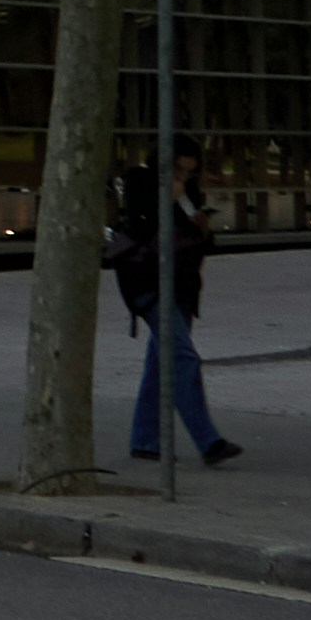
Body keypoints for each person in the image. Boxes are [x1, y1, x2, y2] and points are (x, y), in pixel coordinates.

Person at [113, 141, 234, 468]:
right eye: (178, 169)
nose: (184, 177)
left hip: (180, 284)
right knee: (181, 356)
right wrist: (166, 198)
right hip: (146, 282)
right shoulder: (141, 181)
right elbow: (139, 226)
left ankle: (145, 439)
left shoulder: (191, 194)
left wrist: (202, 229)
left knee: (161, 360)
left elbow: (197, 243)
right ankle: (207, 440)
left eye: (190, 171)